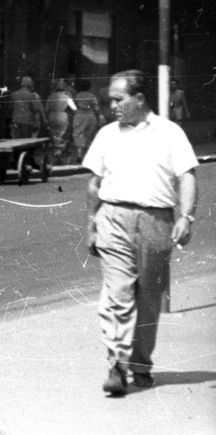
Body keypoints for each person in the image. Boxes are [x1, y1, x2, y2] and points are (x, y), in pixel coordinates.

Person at [82, 69, 198, 396]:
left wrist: (186, 217)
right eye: (110, 100)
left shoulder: (170, 132)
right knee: (117, 293)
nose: (112, 106)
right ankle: (116, 365)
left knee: (148, 297)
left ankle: (141, 363)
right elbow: (93, 183)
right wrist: (92, 224)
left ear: (140, 99)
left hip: (157, 221)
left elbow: (187, 176)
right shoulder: (106, 134)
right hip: (113, 217)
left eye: (119, 99)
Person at [46, 78, 77, 163]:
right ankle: (59, 154)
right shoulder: (66, 97)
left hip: (52, 116)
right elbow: (74, 109)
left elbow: (46, 109)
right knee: (62, 136)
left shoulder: (50, 97)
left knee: (55, 136)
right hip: (63, 116)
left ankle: (56, 154)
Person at [73, 80, 103, 156]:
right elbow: (96, 108)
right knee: (89, 133)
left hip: (79, 114)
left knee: (78, 133)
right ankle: (88, 154)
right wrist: (99, 115)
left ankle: (79, 154)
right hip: (90, 115)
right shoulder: (92, 96)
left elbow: (74, 106)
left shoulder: (77, 95)